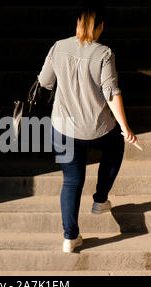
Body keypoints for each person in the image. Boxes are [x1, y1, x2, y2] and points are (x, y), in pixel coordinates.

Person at [38, 2, 138, 253]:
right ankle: (100, 199)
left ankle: (70, 238)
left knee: (71, 181)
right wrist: (126, 128)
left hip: (63, 127)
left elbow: (45, 83)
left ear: (77, 24)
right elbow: (112, 93)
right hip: (97, 127)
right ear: (101, 27)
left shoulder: (58, 47)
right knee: (115, 146)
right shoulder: (104, 53)